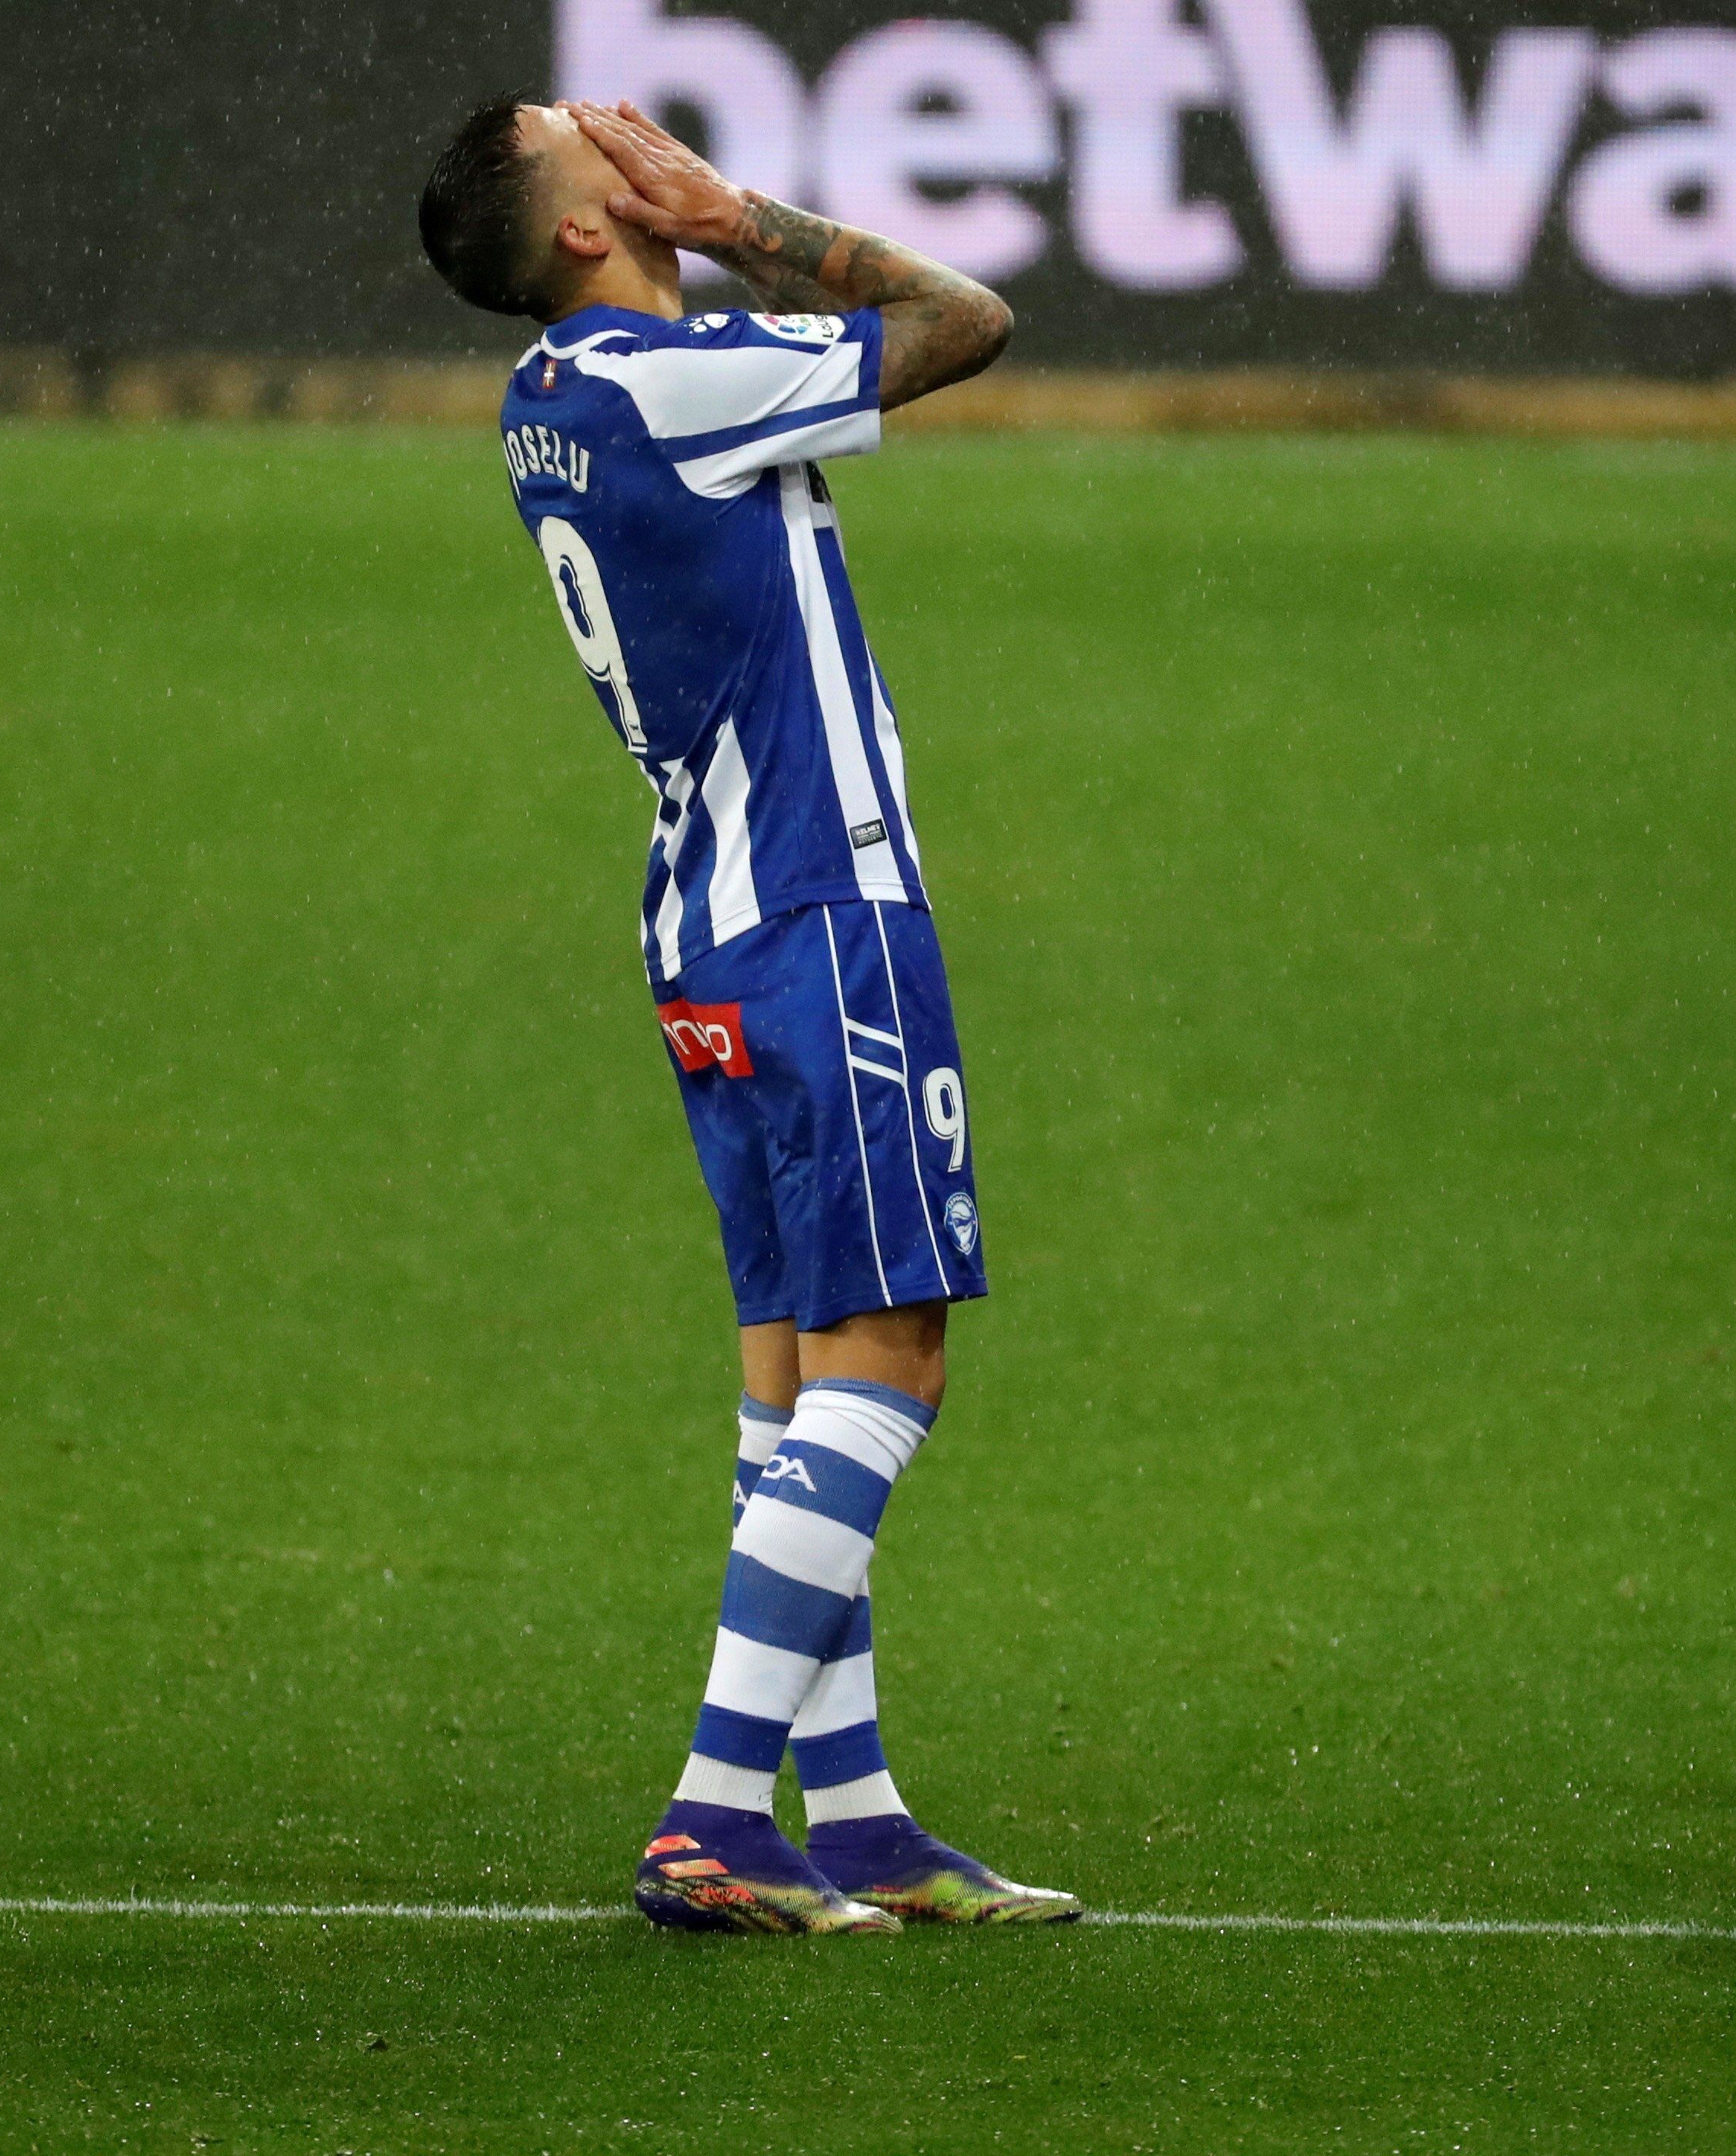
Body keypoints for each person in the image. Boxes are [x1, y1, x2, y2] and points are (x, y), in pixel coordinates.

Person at [418, 93, 1078, 1934]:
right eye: (596, 146)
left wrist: (700, 254)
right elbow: (965, 320)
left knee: (790, 1378)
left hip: (704, 924)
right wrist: (743, 215)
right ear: (577, 233)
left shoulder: (558, 400)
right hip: (815, 911)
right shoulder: (657, 375)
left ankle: (850, 1813)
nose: (636, 151)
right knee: (893, 1365)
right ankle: (712, 1813)